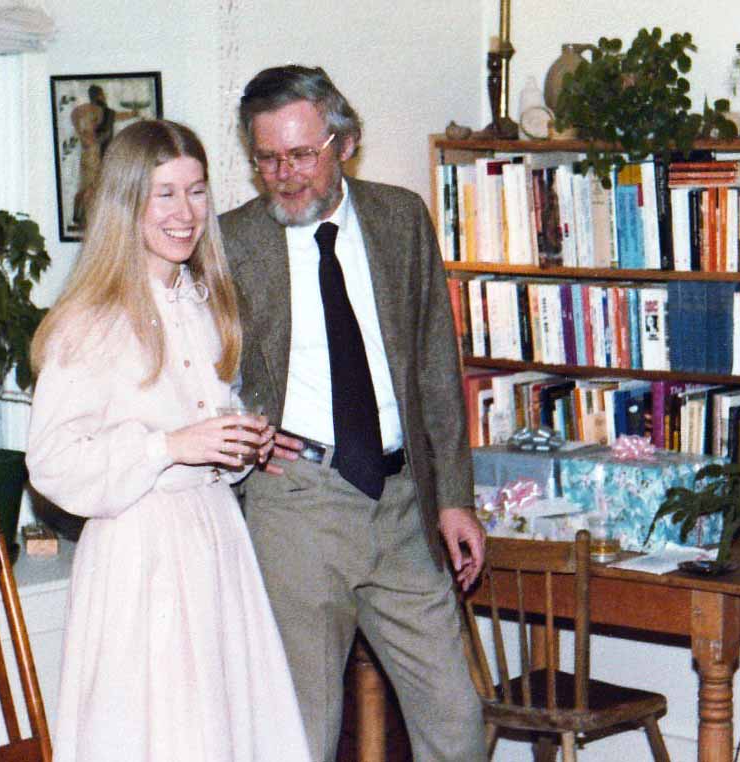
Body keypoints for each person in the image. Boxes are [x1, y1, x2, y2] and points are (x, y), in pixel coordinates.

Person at [219, 65, 488, 762]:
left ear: (345, 143)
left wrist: (454, 498)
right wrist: (244, 432)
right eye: (267, 159)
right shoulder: (228, 242)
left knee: (456, 723)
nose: (285, 175)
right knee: (303, 731)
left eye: (302, 154)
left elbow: (434, 361)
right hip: (296, 504)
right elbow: (197, 366)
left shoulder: (400, 219)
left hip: (401, 505)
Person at [27, 119, 311, 762]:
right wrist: (169, 446)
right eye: (165, 194)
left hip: (215, 541)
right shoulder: (89, 321)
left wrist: (241, 441)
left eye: (197, 191)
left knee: (228, 730)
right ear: (128, 204)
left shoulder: (206, 303)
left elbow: (202, 425)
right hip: (140, 558)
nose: (186, 213)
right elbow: (51, 463)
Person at [70, 85, 140, 228]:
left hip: (93, 153)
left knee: (88, 187)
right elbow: (118, 116)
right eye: (103, 95)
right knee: (90, 187)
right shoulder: (97, 111)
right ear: (100, 96)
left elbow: (117, 116)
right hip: (94, 154)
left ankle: (82, 217)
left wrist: (81, 132)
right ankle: (84, 218)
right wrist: (83, 134)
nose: (105, 97)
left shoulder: (88, 110)